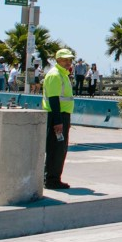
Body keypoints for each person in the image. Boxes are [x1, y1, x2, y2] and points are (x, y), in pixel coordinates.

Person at [42, 49, 76, 190]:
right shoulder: (55, 75)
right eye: (65, 60)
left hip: (62, 115)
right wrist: (58, 122)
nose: (68, 62)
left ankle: (53, 178)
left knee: (60, 148)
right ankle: (52, 180)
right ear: (58, 60)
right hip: (56, 115)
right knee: (56, 149)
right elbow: (54, 100)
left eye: (70, 60)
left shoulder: (63, 74)